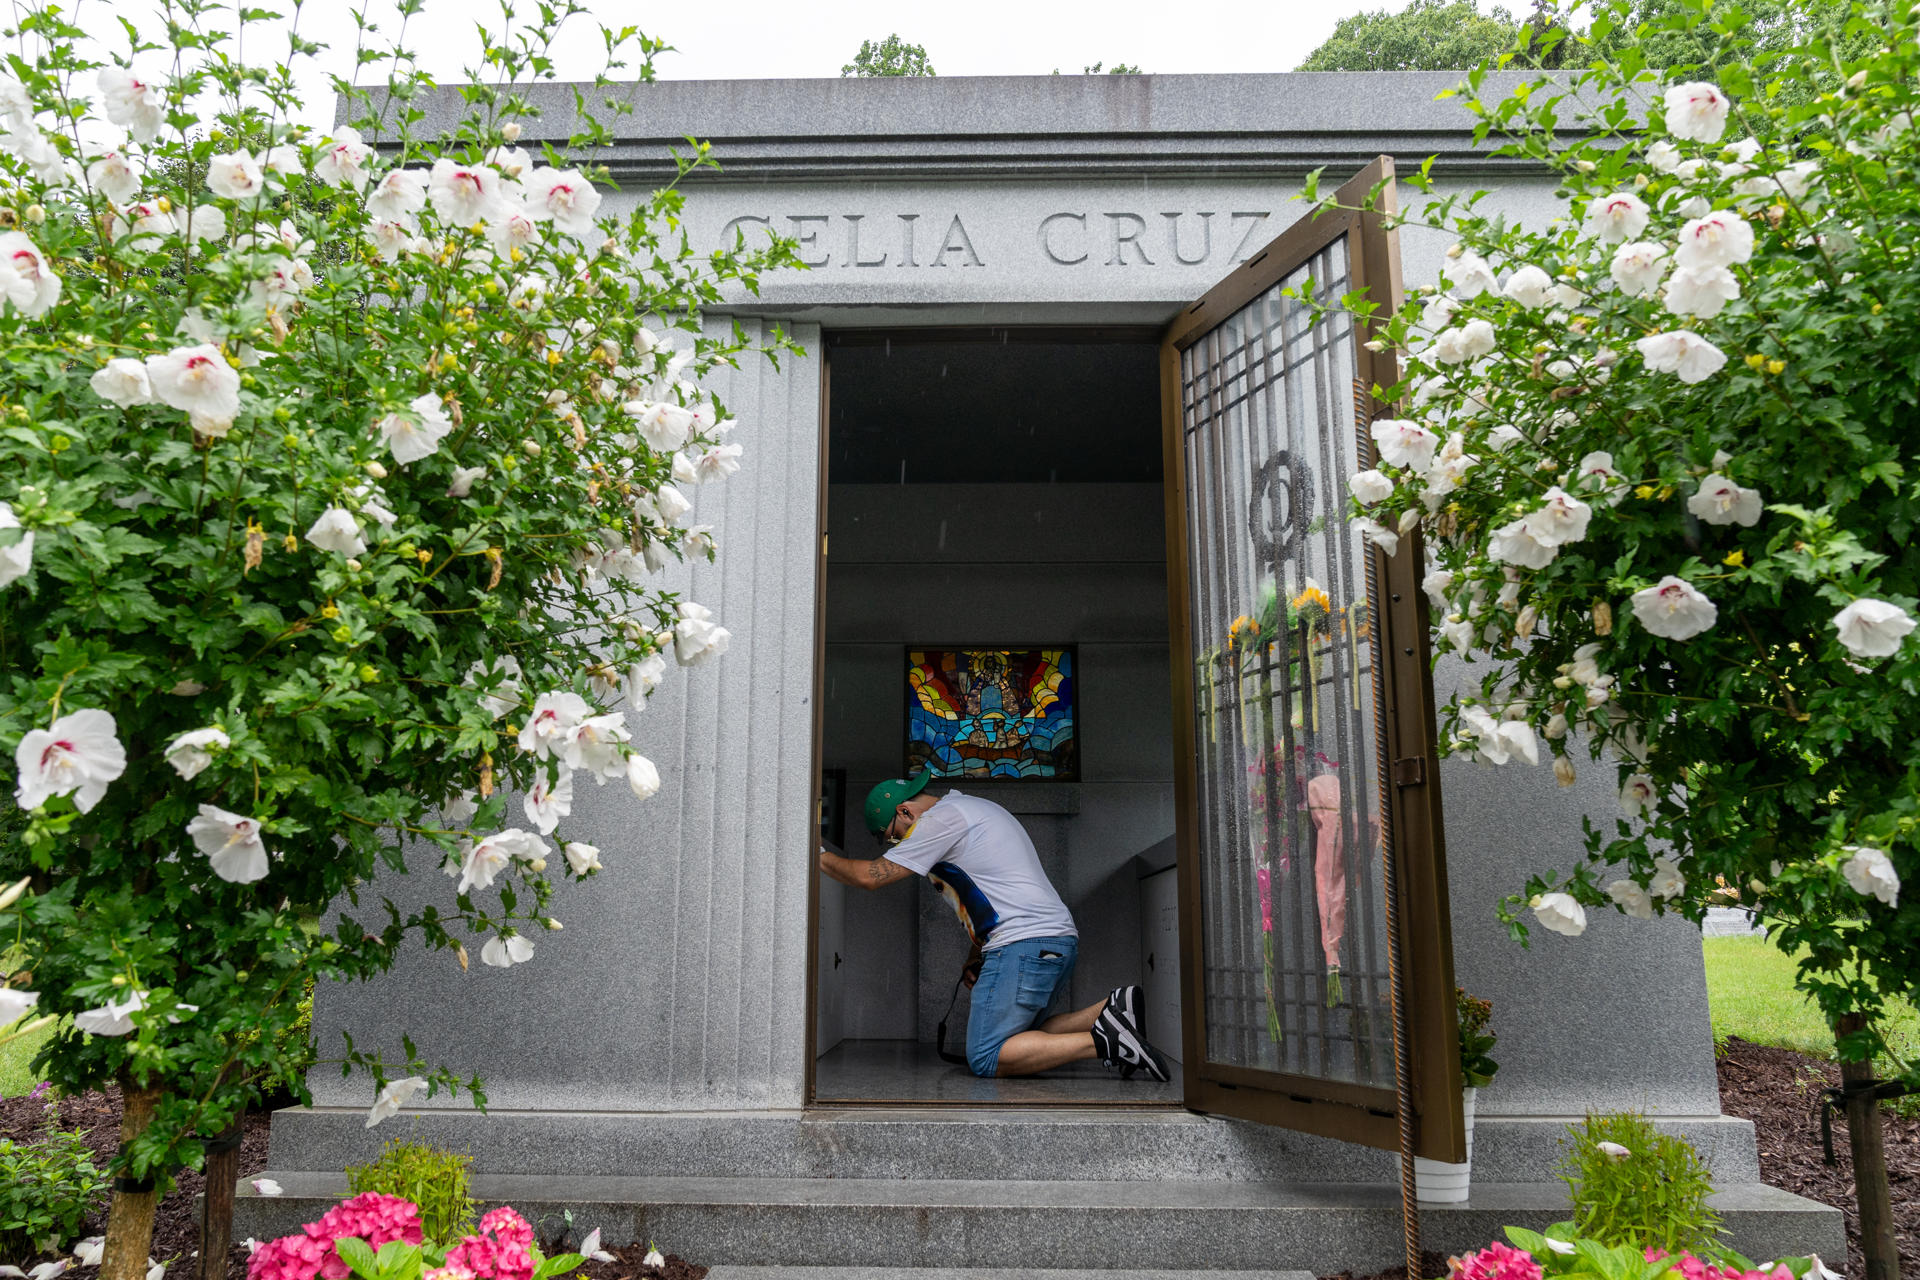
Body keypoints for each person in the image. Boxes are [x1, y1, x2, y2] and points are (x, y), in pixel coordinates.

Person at [816, 769, 1171, 1081]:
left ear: (905, 812)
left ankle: (1108, 1042)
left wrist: (814, 853)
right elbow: (991, 892)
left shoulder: (940, 821)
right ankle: (1111, 1008)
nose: (897, 844)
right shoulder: (973, 807)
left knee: (987, 1055)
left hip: (1023, 944)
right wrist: (978, 954)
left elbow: (868, 877)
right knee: (1024, 1039)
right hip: (1054, 940)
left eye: (893, 835)